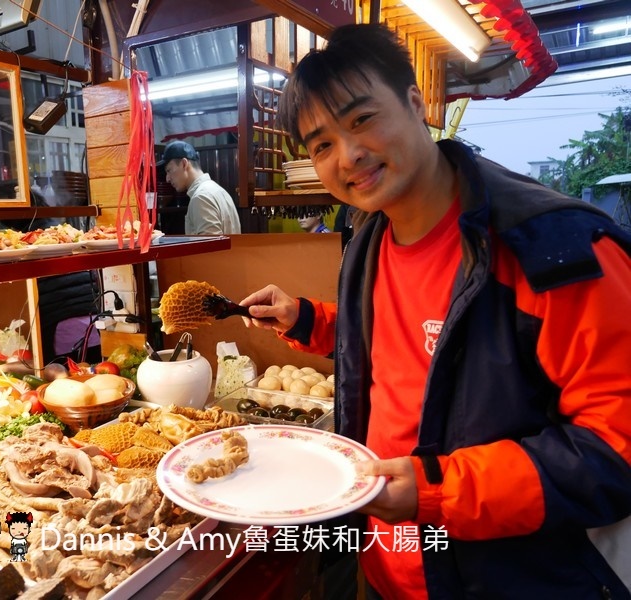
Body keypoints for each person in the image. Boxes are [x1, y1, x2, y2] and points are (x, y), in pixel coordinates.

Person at [240, 23, 631, 600]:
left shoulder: (552, 249)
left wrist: (436, 490)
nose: (348, 155)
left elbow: (614, 450)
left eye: (362, 119)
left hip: (507, 579)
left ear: (416, 103)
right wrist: (306, 319)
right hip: (383, 568)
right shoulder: (370, 241)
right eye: (322, 144)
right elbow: (403, 349)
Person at [157, 140, 241, 235]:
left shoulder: (201, 197)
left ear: (184, 164)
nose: (167, 179)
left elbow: (211, 247)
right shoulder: (217, 190)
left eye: (169, 170)